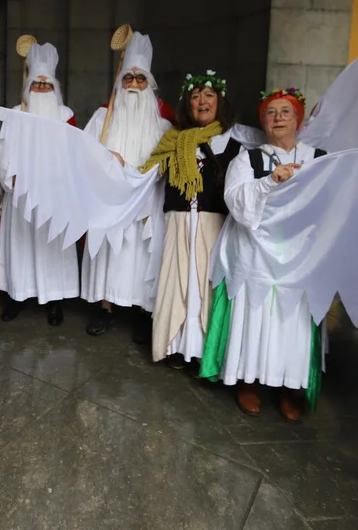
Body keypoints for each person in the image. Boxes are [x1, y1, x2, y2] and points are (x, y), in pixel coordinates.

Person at [202, 88, 326, 423]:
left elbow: (330, 202)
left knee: (291, 320)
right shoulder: (248, 159)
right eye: (271, 113)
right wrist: (271, 179)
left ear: (298, 120)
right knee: (255, 314)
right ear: (263, 122)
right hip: (255, 253)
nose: (278, 118)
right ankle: (247, 380)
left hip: (299, 257)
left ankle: (288, 386)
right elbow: (235, 199)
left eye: (286, 112)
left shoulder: (319, 158)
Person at [141, 70, 241, 368]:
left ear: (220, 103)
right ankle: (176, 345)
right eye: (195, 96)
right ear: (187, 104)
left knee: (206, 284)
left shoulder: (233, 143)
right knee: (177, 282)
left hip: (214, 225)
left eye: (209, 95)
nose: (202, 101)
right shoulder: (173, 141)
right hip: (178, 222)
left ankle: (204, 352)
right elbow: (145, 177)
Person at [80, 32, 174, 337]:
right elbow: (84, 155)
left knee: (141, 255)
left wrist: (135, 175)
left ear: (149, 84)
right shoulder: (102, 117)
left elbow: (165, 165)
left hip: (145, 202)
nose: (133, 84)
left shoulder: (164, 125)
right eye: (128, 78)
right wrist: (106, 161)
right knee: (108, 255)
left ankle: (143, 311)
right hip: (110, 203)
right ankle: (104, 307)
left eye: (140, 79)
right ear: (120, 82)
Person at [0, 42, 79, 326]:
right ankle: (18, 295)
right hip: (21, 195)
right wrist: (9, 175)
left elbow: (75, 153)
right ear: (28, 86)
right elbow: (1, 151)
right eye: (36, 84)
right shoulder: (15, 113)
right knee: (20, 246)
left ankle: (54, 299)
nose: (41, 89)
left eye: (46, 85)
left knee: (51, 245)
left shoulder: (66, 115)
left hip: (55, 195)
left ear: (54, 88)